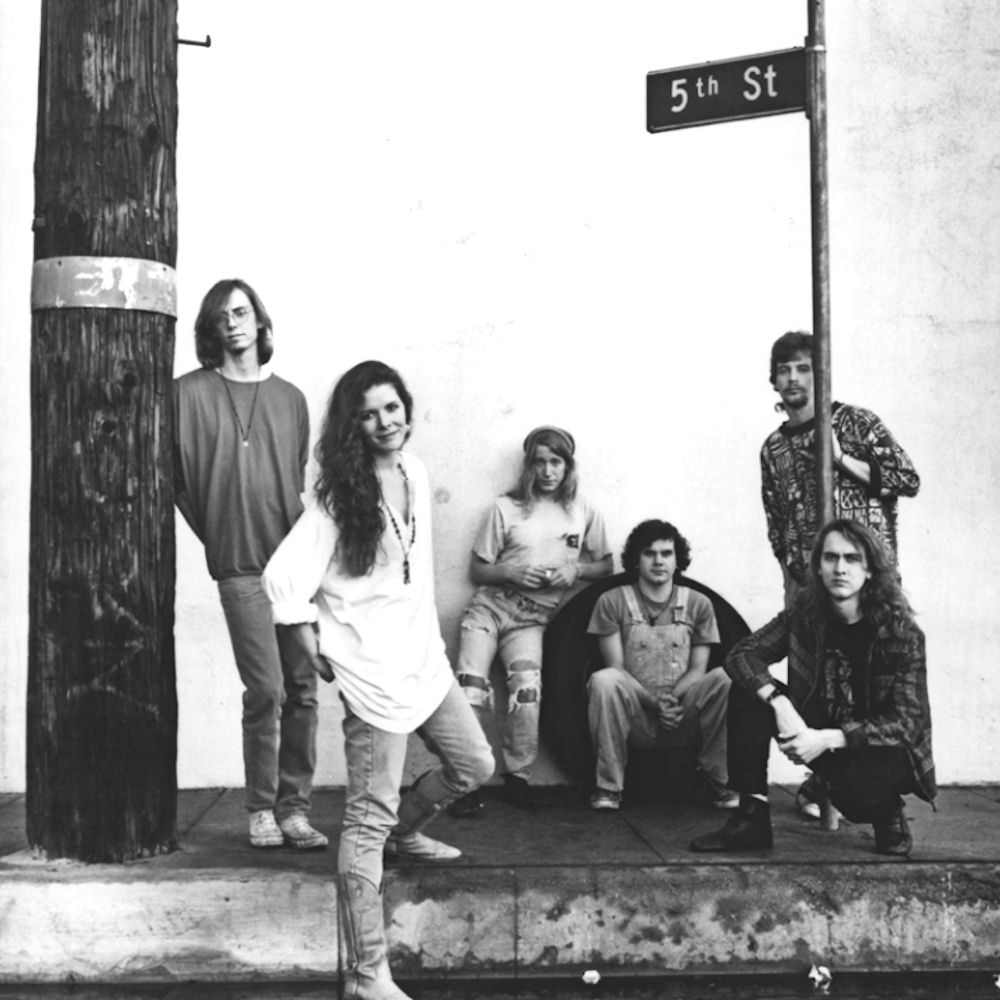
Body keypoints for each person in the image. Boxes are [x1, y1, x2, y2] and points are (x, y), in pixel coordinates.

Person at [262, 360, 494, 1000]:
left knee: (474, 764)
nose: (385, 422)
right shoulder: (339, 496)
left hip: (423, 660)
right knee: (365, 821)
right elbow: (283, 577)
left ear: (406, 410)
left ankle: (404, 833)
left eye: (392, 408)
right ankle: (367, 976)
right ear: (353, 426)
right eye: (368, 414)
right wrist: (308, 642)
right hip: (372, 672)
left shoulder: (414, 471)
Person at [174, 278, 326, 850]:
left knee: (303, 689)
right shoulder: (186, 394)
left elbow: (293, 481)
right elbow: (177, 482)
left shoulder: (291, 399)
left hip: (294, 565)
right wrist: (217, 535)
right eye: (222, 316)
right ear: (210, 329)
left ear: (260, 321)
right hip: (239, 564)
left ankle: (295, 810)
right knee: (266, 691)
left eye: (241, 312)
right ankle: (261, 808)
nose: (233, 323)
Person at [690, 519, 935, 858]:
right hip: (817, 728)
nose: (840, 568)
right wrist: (779, 702)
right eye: (830, 557)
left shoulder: (901, 634)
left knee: (858, 798)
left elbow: (907, 724)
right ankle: (752, 817)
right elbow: (742, 655)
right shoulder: (805, 615)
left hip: (874, 753)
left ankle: (887, 813)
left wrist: (823, 740)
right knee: (749, 690)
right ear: (818, 567)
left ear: (869, 570)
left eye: (852, 559)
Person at [761, 330, 921, 818]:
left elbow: (906, 479)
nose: (794, 378)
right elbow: (777, 521)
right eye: (784, 370)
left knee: (872, 682)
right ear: (773, 380)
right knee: (815, 682)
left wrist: (842, 460)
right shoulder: (773, 447)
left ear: (822, 374)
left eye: (804, 368)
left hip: (865, 584)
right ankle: (823, 780)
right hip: (810, 586)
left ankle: (882, 800)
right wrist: (794, 576)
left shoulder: (855, 423)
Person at [450, 426, 613, 815]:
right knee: (471, 688)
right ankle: (464, 781)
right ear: (529, 466)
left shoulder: (582, 511)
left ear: (568, 465)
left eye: (556, 462)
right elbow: (477, 570)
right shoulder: (505, 508)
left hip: (531, 619)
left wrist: (575, 571)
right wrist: (511, 572)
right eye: (539, 462)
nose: (547, 471)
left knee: (527, 691)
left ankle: (518, 779)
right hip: (489, 609)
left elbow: (606, 566)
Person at [585, 520, 736, 812]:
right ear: (636, 559)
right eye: (649, 553)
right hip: (636, 718)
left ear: (678, 559)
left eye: (666, 553)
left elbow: (698, 669)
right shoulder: (611, 601)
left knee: (726, 678)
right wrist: (654, 705)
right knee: (604, 680)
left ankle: (718, 778)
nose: (658, 561)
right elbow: (616, 669)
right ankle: (608, 786)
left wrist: (670, 702)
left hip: (682, 715)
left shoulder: (699, 604)